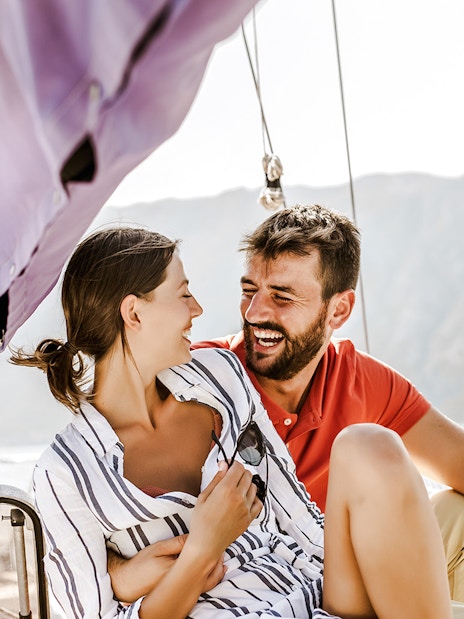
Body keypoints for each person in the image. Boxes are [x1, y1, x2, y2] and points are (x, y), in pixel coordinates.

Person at [10, 226, 451, 619]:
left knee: (369, 444)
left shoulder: (220, 375)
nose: (198, 308)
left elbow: (299, 518)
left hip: (312, 594)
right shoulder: (64, 473)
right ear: (134, 314)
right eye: (182, 294)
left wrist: (376, 574)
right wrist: (203, 547)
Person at [192, 203, 464, 602]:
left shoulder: (361, 379)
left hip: (340, 567)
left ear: (339, 309)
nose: (254, 313)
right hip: (263, 593)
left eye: (282, 297)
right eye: (249, 291)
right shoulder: (199, 383)